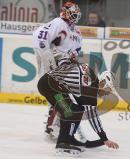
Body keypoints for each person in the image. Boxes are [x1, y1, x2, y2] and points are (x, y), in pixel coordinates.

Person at [37, 60, 119, 155]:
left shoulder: (91, 78)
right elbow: (92, 116)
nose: (107, 93)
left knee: (73, 110)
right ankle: (63, 143)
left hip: (48, 84)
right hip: (51, 87)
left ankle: (68, 139)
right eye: (108, 90)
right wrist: (104, 139)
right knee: (73, 111)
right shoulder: (91, 87)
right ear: (103, 82)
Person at [32, 1, 85, 142]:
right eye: (73, 14)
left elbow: (76, 50)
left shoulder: (77, 31)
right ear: (66, 12)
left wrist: (72, 57)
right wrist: (47, 56)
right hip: (50, 57)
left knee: (61, 95)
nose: (76, 17)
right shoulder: (58, 23)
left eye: (77, 14)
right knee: (57, 93)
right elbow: (39, 36)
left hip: (63, 63)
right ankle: (53, 127)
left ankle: (54, 126)